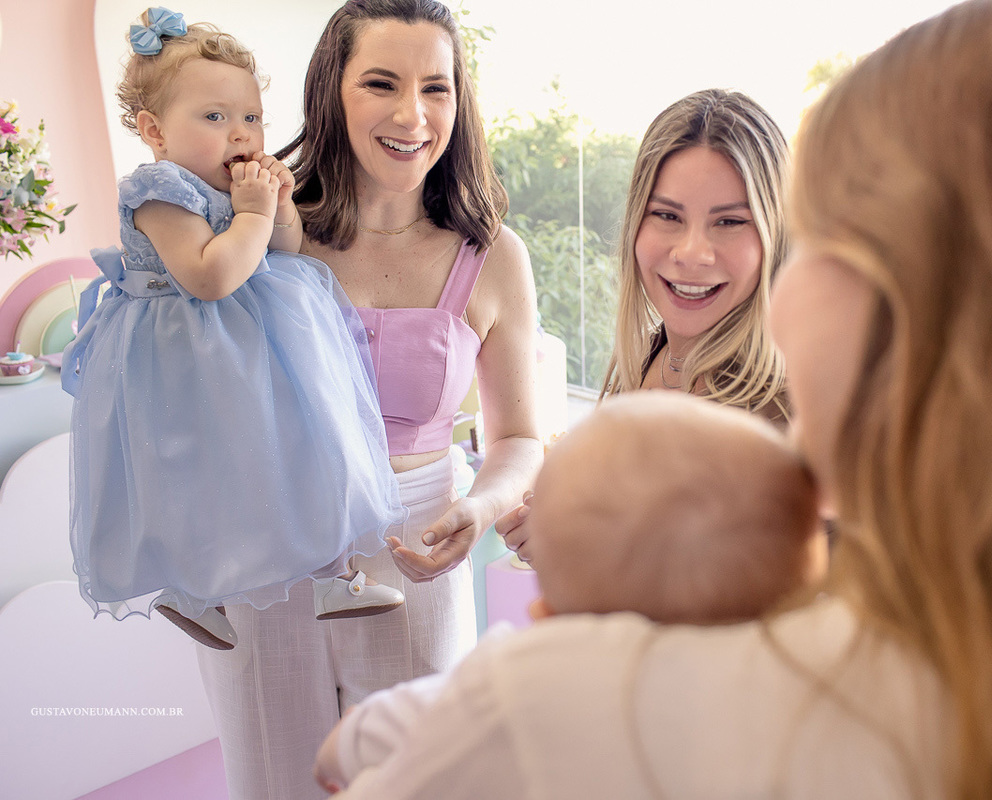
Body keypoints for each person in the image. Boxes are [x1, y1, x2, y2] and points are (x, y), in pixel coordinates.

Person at [322, 0, 992, 796]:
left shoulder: (571, 692)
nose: (694, 254)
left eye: (825, 239)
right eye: (665, 216)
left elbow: (363, 758)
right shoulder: (654, 368)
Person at [194, 2, 542, 797]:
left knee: (413, 780)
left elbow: (520, 436)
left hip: (418, 554)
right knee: (271, 779)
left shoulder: (493, 256)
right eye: (380, 82)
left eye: (437, 88)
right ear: (332, 91)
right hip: (263, 552)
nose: (412, 114)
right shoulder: (264, 230)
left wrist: (480, 508)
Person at [62, 7, 407, 653]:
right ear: (155, 130)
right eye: (215, 117)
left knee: (307, 449)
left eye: (251, 117)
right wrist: (249, 212)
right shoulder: (159, 190)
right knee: (203, 477)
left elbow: (287, 249)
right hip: (185, 360)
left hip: (255, 353)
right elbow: (209, 277)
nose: (241, 134)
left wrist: (273, 206)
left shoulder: (239, 182)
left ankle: (333, 573)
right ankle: (193, 593)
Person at [312, 391, 826, 793]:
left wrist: (355, 735)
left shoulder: (515, 683)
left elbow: (347, 751)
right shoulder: (795, 709)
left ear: (546, 610)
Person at [499, 89, 793, 564]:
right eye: (668, 215)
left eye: (730, 222)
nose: (692, 253)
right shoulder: (651, 358)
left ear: (773, 236)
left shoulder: (783, 417)